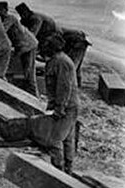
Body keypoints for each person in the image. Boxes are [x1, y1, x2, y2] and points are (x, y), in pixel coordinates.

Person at [41, 33, 79, 174]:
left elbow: (64, 87)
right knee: (67, 138)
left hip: (67, 106)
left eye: (47, 46)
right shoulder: (56, 60)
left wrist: (59, 108)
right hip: (66, 105)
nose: (45, 48)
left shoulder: (62, 62)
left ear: (53, 47)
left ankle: (58, 170)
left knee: (55, 138)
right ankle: (67, 169)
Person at [0, 1, 39, 96]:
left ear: (6, 10)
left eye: (1, 10)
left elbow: (2, 32)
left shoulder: (10, 18)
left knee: (29, 72)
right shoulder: (4, 20)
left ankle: (34, 96)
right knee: (25, 70)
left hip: (28, 45)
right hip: (22, 46)